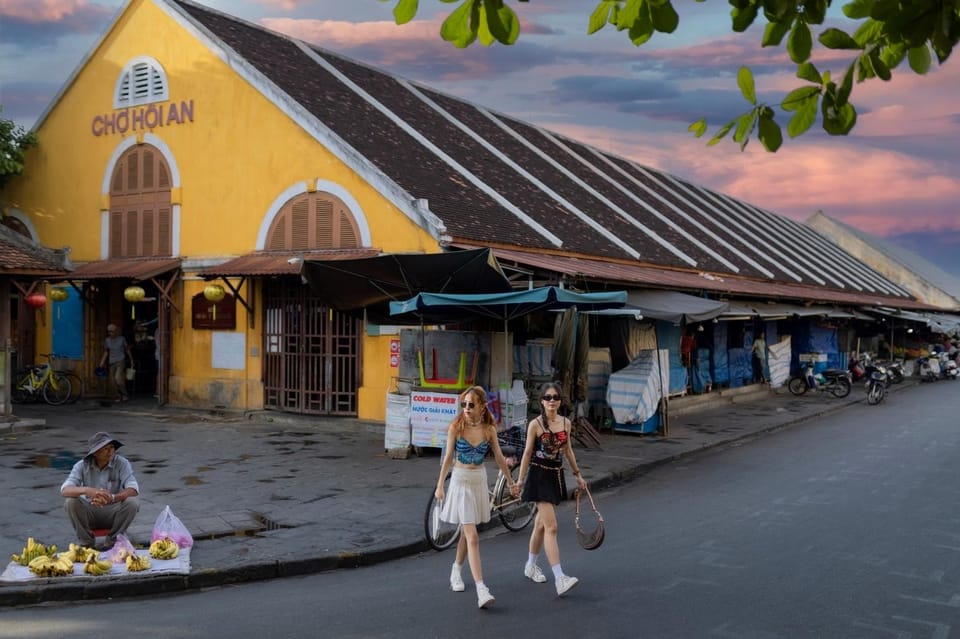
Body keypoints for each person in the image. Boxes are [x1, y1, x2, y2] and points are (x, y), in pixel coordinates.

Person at [434, 385, 519, 609]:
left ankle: (456, 570)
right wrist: (440, 485)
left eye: (471, 404)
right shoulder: (456, 427)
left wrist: (511, 482)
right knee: (472, 535)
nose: (467, 408)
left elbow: (500, 458)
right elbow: (448, 457)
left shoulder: (489, 430)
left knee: (466, 530)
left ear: (482, 407)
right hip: (460, 480)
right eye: (464, 404)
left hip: (478, 480)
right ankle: (482, 589)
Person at [516, 382, 587, 597]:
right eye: (548, 397)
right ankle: (559, 578)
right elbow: (528, 453)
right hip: (539, 476)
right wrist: (519, 481)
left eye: (555, 397)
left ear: (560, 400)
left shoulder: (566, 423)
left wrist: (578, 475)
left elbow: (568, 451)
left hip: (555, 475)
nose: (552, 401)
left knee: (540, 525)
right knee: (552, 527)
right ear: (541, 401)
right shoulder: (535, 424)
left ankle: (530, 565)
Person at [60, 431, 140, 549]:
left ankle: (114, 540)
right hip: (90, 512)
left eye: (112, 447)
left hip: (113, 512)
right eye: (105, 449)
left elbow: (133, 488)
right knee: (70, 502)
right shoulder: (81, 465)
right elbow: (65, 490)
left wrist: (112, 498)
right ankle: (86, 542)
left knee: (133, 502)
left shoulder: (122, 463)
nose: (110, 451)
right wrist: (87, 490)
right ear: (95, 453)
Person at [99, 323, 134, 402]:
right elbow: (106, 352)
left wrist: (131, 360)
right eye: (109, 331)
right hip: (111, 362)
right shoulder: (107, 340)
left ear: (116, 331)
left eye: (112, 331)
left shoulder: (122, 339)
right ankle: (119, 395)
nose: (110, 333)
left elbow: (127, 349)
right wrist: (102, 362)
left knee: (117, 378)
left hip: (120, 360)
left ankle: (125, 395)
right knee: (112, 381)